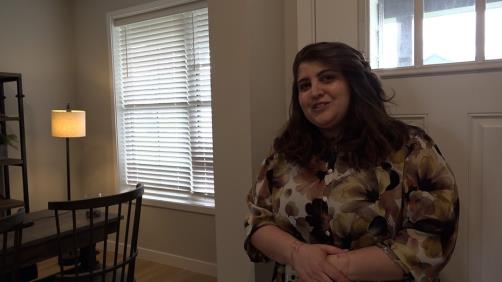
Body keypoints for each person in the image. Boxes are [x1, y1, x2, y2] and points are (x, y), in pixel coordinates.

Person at [244, 42, 459, 282]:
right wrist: (298, 254)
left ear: (354, 84)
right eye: (304, 85)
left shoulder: (410, 148)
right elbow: (256, 220)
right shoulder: (283, 152)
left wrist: (328, 267)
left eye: (327, 78)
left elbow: (433, 237)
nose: (314, 91)